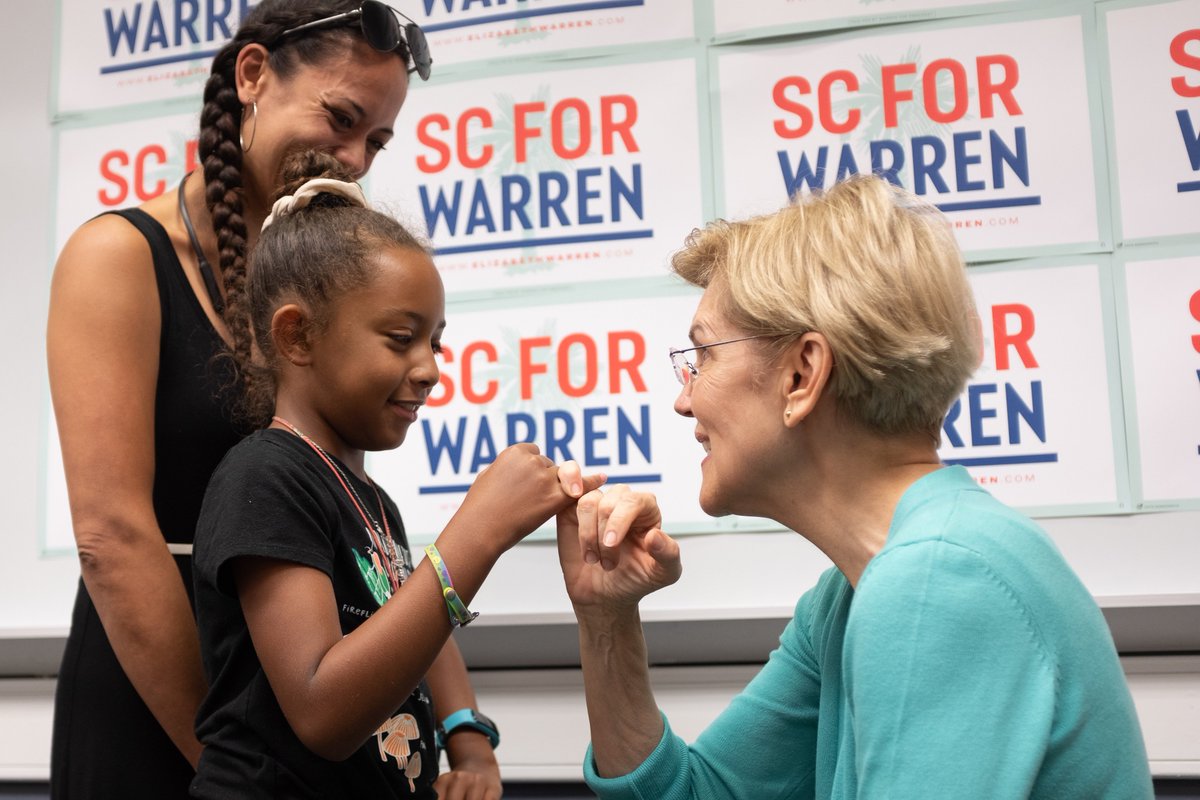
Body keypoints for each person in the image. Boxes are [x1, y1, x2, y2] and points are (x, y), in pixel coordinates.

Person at [555, 175, 1155, 798]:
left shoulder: (938, 579)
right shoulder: (851, 597)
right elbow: (696, 794)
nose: (683, 400)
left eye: (702, 356)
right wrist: (608, 621)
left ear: (802, 375)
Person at [44, 2, 453, 796]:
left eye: (376, 140)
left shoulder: (319, 290)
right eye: (341, 119)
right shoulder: (117, 257)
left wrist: (461, 728)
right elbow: (112, 537)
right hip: (159, 696)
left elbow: (363, 530)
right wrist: (235, 761)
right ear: (253, 75)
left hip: (296, 712)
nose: (354, 158)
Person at [189, 150, 599, 798]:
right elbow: (322, 710)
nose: (431, 366)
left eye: (434, 340)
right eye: (400, 337)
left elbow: (410, 623)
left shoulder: (370, 499)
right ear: (297, 337)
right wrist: (477, 535)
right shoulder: (265, 477)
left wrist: (469, 741)